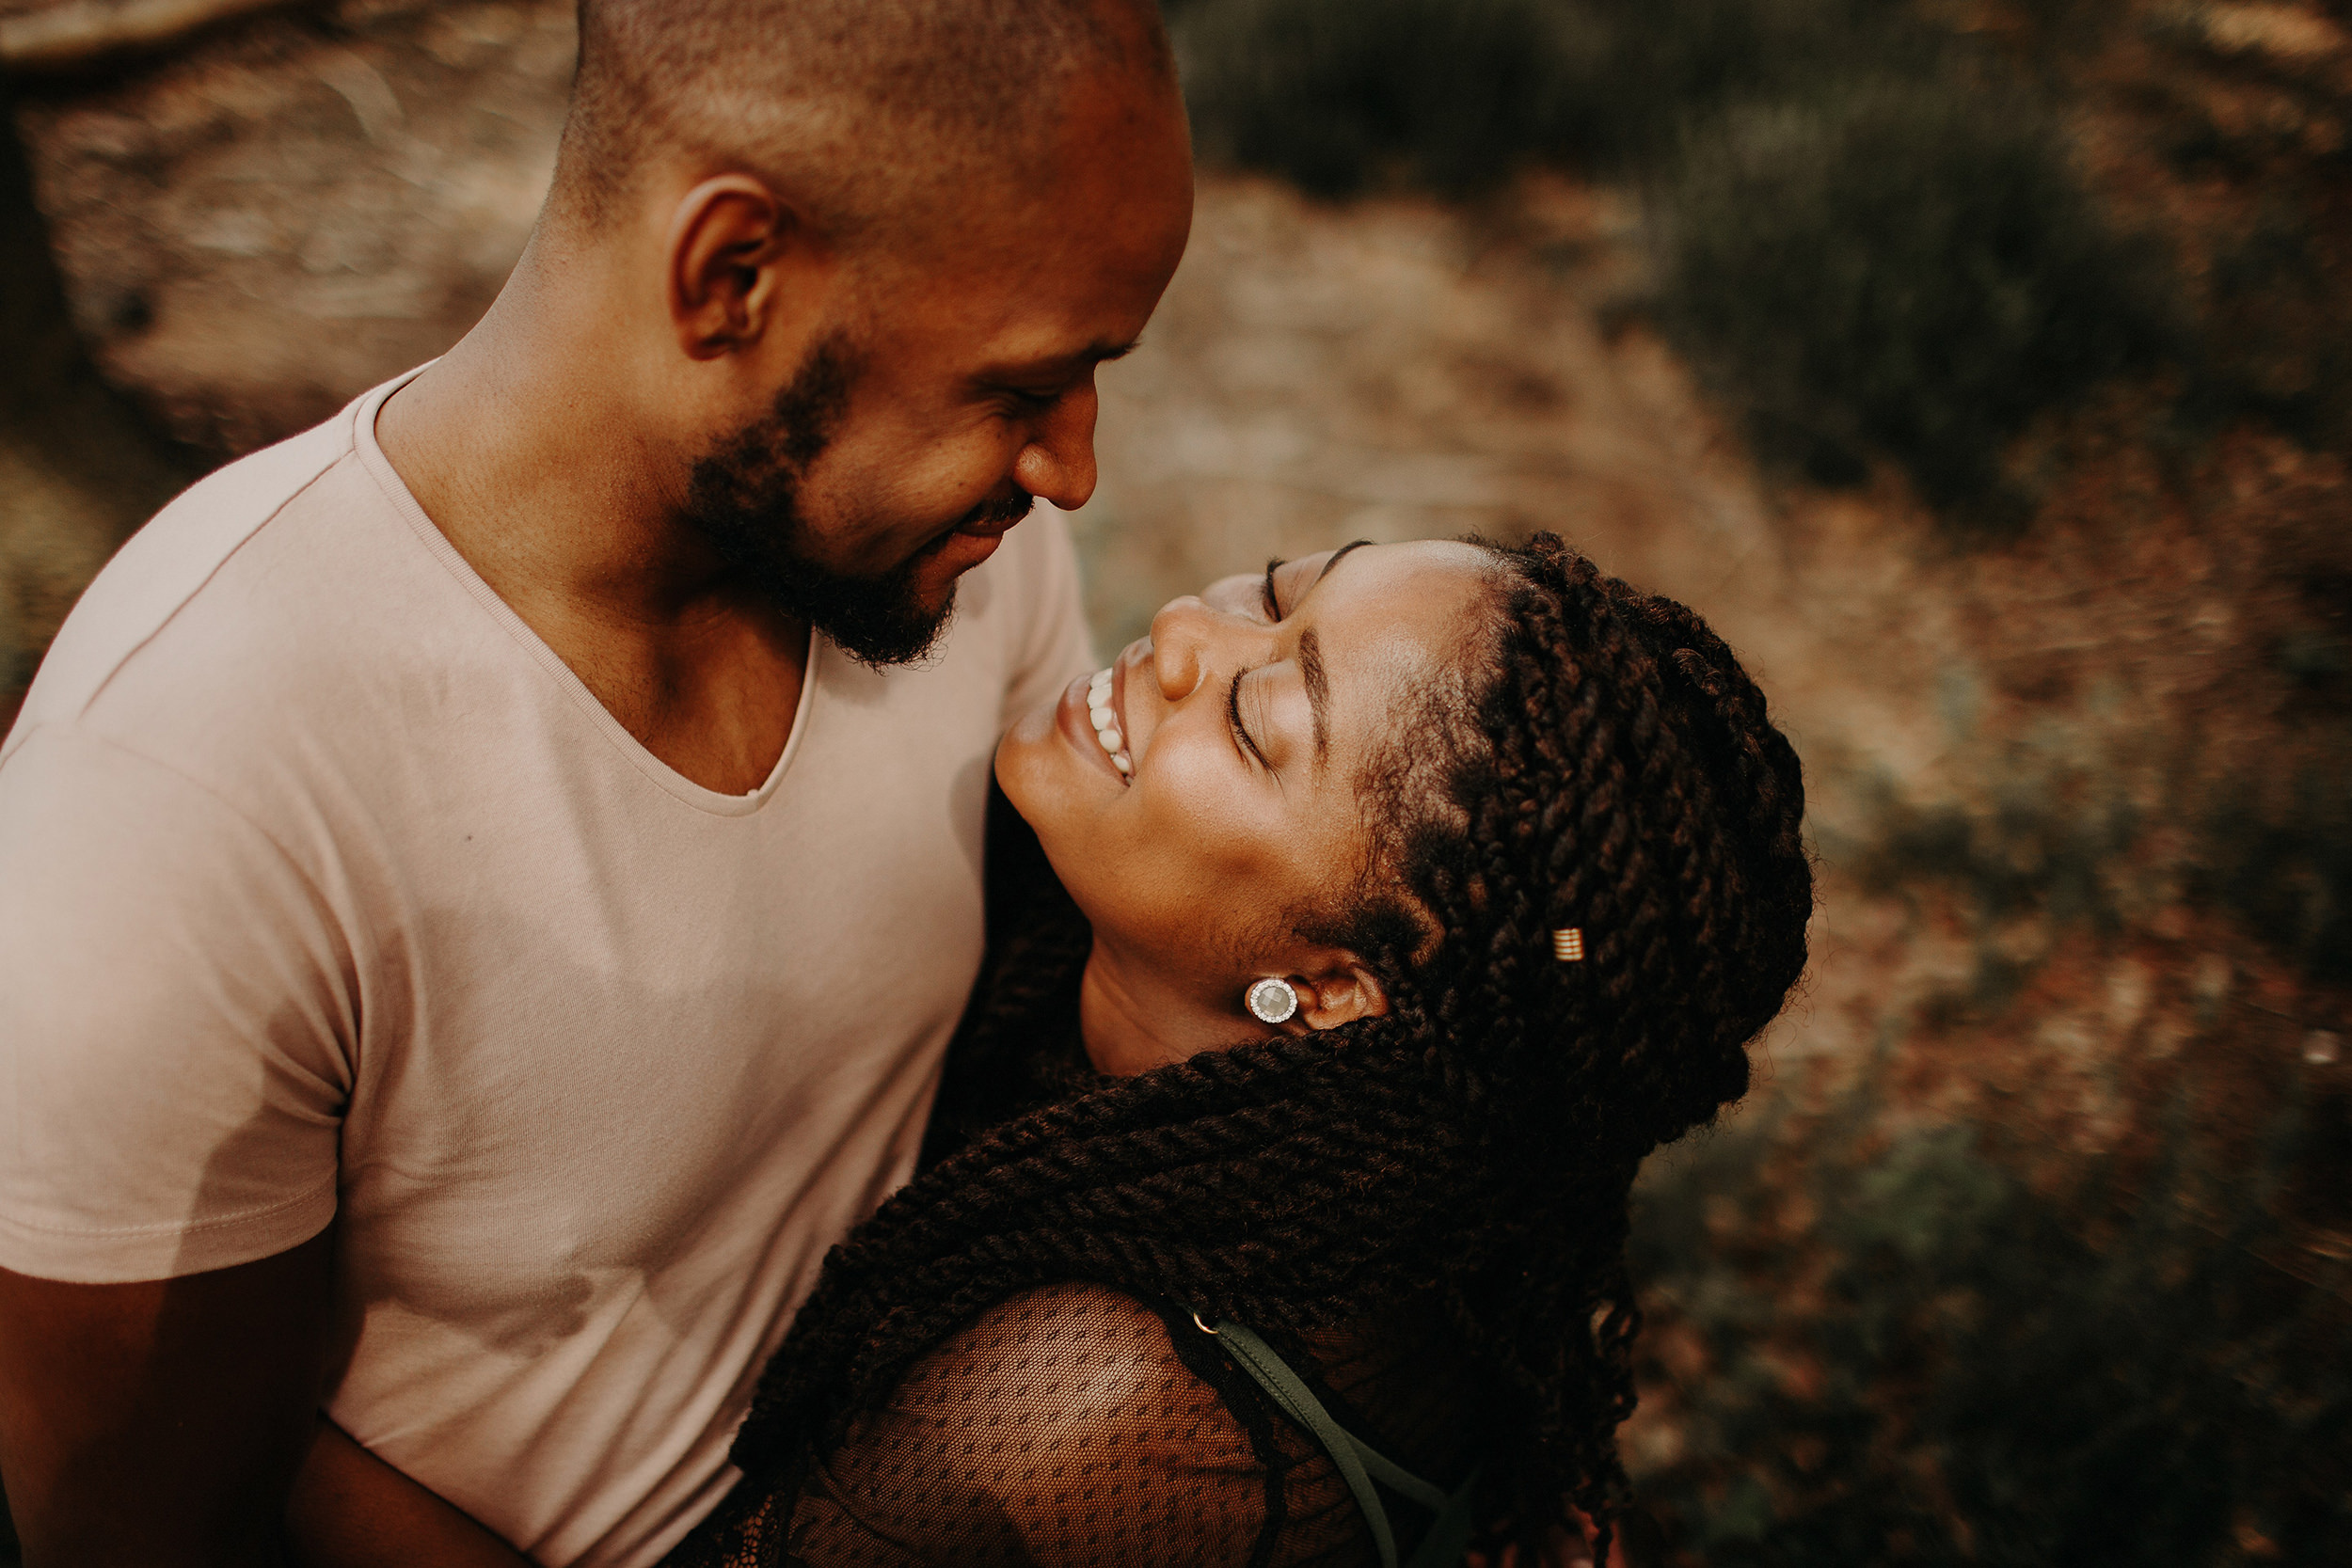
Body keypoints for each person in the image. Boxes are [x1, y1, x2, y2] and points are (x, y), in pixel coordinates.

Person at [0, 1, 1191, 1563]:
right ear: (730, 276)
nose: (1070, 472)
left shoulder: (946, 551)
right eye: (1024, 386)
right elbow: (160, 1534)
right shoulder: (194, 788)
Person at [657, 532, 1815, 1567]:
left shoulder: (1090, 1406)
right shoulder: (1397, 1155)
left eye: (1257, 721)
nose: (1180, 633)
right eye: (1275, 590)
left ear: (1329, 988)